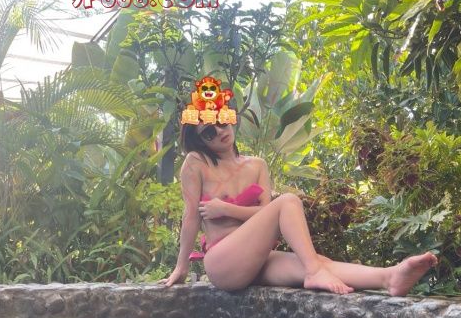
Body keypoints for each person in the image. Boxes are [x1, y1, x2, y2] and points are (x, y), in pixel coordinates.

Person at [159, 89, 437, 294]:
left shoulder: (257, 165)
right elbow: (191, 217)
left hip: (258, 259)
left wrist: (226, 209)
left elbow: (265, 215)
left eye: (221, 120)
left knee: (315, 261)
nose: (220, 131)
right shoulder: (197, 163)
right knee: (289, 202)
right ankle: (315, 273)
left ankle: (389, 277)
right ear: (201, 141)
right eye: (209, 132)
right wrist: (181, 267)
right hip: (223, 262)